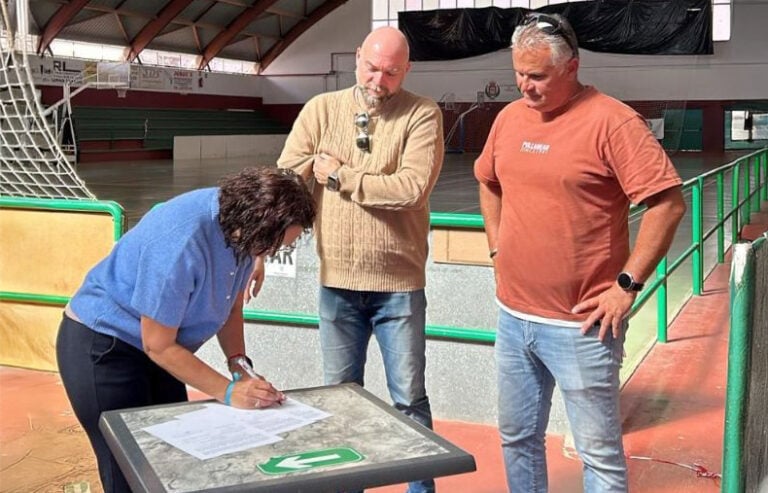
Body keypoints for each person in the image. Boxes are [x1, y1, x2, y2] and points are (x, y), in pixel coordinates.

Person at [474, 13, 686, 492]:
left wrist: (626, 285)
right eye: (519, 74)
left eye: (537, 76)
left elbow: (667, 205)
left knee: (599, 456)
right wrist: (496, 243)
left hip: (582, 327)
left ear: (571, 66)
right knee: (518, 438)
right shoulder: (509, 119)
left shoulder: (613, 121)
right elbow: (487, 181)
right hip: (513, 317)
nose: (525, 86)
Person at [56, 167, 316, 493]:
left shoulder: (241, 231)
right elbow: (158, 345)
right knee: (129, 472)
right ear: (258, 224)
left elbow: (231, 305)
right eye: (273, 245)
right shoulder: (181, 240)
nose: (270, 254)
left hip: (162, 351)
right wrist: (229, 391)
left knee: (172, 463)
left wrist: (240, 364)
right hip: (106, 346)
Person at [276, 26, 444, 493]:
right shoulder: (320, 110)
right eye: (372, 68)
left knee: (409, 400)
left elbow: (410, 190)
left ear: (406, 70)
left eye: (391, 72)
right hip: (337, 284)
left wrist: (337, 175)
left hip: (400, 286)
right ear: (356, 59)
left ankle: (421, 490)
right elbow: (287, 178)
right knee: (340, 401)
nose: (379, 80)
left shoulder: (422, 115)